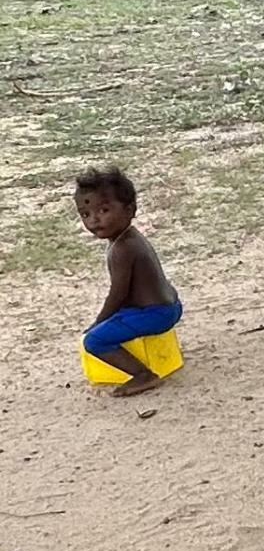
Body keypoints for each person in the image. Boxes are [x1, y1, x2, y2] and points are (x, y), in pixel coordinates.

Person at [75, 167, 182, 399]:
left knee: (94, 341)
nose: (94, 220)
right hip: (171, 305)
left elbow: (118, 294)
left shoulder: (123, 248)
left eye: (103, 210)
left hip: (158, 314)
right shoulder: (128, 237)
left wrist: (98, 322)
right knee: (114, 321)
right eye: (85, 214)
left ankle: (143, 375)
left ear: (130, 210)